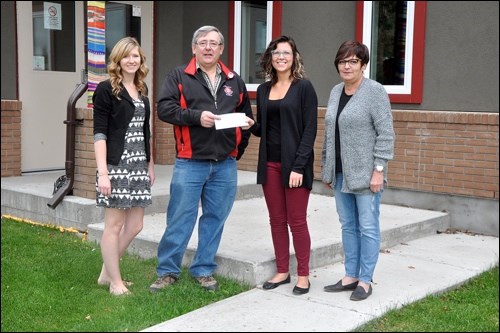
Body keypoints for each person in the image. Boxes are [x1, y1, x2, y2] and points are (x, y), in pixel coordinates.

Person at [150, 25, 254, 292]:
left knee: (215, 218)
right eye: (203, 43)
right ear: (194, 48)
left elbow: (246, 117)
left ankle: (204, 269)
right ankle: (167, 271)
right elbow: (164, 109)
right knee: (180, 217)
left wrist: (236, 149)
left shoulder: (234, 81)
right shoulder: (179, 76)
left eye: (214, 43)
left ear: (221, 49)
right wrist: (197, 117)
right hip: (190, 162)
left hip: (225, 165)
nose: (208, 47)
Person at [321, 40, 395, 301]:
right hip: (340, 173)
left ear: (363, 65)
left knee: (368, 226)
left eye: (353, 61)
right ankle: (350, 275)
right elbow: (330, 133)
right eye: (343, 61)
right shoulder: (335, 91)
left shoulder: (375, 92)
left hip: (366, 174)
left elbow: (385, 134)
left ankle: (365, 280)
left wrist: (379, 170)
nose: (347, 66)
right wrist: (327, 169)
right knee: (348, 225)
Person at [250, 36, 318, 295]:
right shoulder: (263, 90)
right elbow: (264, 130)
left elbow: (309, 130)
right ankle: (282, 270)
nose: (281, 56)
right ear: (270, 57)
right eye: (276, 52)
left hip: (295, 166)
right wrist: (250, 125)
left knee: (297, 221)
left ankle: (303, 274)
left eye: (286, 53)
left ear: (294, 57)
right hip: (270, 164)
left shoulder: (304, 88)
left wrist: (298, 167)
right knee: (276, 220)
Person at [93, 37, 155, 296]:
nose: (132, 60)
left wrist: (150, 165)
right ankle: (115, 283)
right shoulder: (106, 89)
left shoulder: (142, 91)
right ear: (117, 60)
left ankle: (106, 273)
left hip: (139, 164)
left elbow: (145, 132)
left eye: (136, 56)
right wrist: (103, 174)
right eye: (127, 56)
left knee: (136, 225)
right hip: (116, 164)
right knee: (115, 225)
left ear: (141, 60)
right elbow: (99, 134)